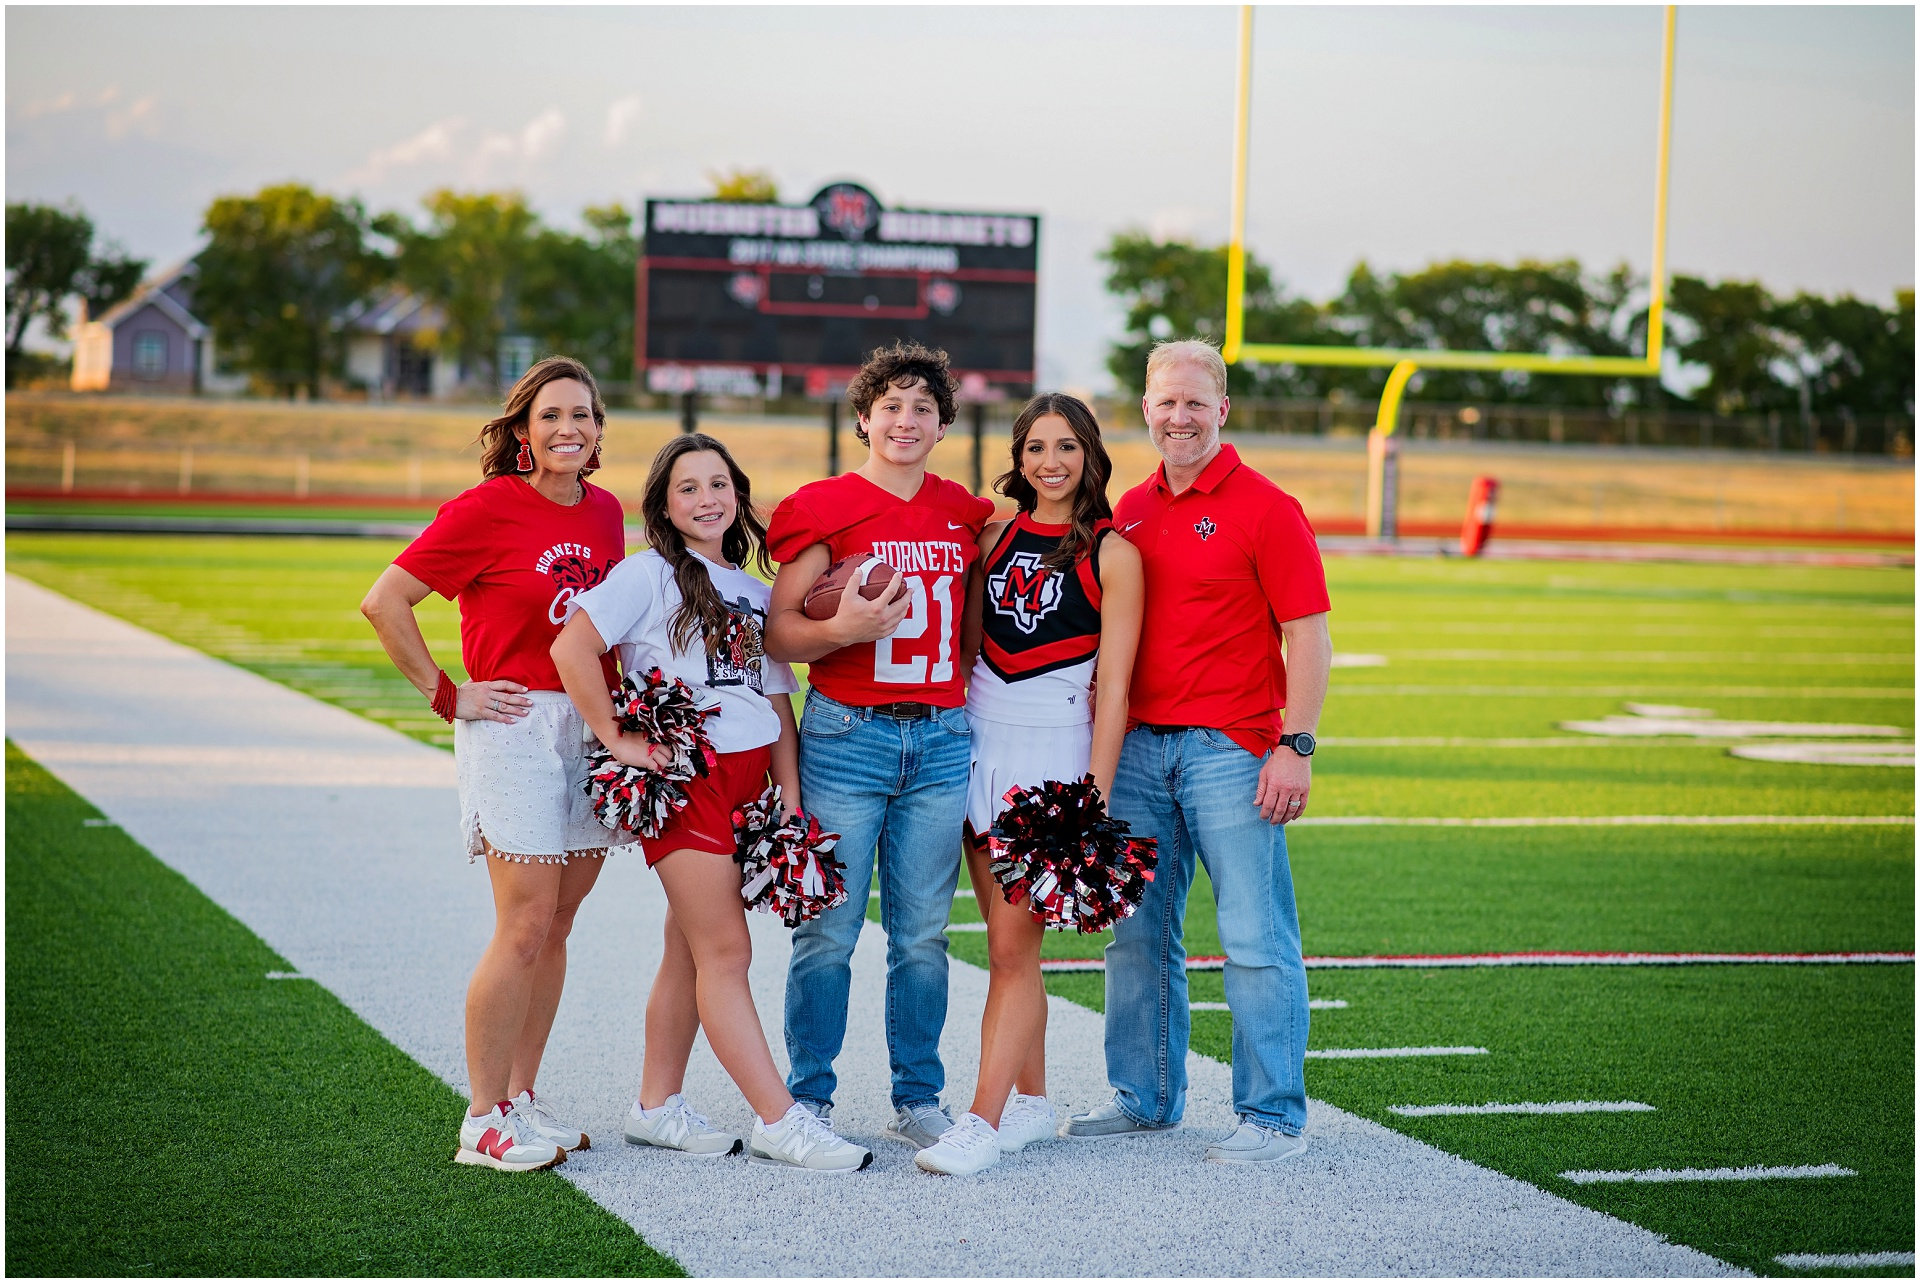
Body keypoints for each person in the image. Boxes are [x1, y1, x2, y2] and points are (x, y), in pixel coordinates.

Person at [550, 434, 873, 1174]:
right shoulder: (649, 576)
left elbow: (778, 704)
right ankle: (779, 1119)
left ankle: (656, 1105)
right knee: (727, 951)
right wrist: (616, 737)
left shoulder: (757, 593)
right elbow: (572, 648)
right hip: (687, 779)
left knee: (687, 946)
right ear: (665, 504)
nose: (706, 499)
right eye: (688, 487)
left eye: (718, 484)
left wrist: (788, 801)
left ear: (738, 493)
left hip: (750, 782)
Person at [1060, 339, 1333, 1164]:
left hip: (1232, 752)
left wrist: (1296, 745)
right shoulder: (1126, 508)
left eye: (1194, 402)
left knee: (1254, 935)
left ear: (1222, 409)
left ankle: (1272, 1116)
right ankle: (1146, 1099)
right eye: (1164, 402)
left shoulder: (1267, 506)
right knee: (1136, 936)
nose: (1179, 417)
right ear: (1144, 409)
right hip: (1141, 748)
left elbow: (1310, 638)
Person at [361, 355, 627, 1173]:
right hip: (512, 725)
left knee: (557, 924)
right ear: (521, 430)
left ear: (598, 430)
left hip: (588, 725)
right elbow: (385, 600)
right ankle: (482, 1118)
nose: (567, 429)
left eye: (581, 415)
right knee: (521, 924)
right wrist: (449, 694)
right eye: (550, 415)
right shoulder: (484, 508)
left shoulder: (609, 511)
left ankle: (520, 1095)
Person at [763, 341, 995, 1150]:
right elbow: (778, 630)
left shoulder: (962, 511)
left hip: (938, 738)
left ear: (942, 426)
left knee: (923, 932)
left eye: (923, 407)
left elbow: (971, 630)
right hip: (847, 735)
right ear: (864, 417)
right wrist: (842, 628)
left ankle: (917, 1093)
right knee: (827, 925)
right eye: (891, 405)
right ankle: (811, 1096)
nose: (906, 419)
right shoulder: (824, 504)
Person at [914, 394, 1143, 1176]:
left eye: (1068, 447)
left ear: (1091, 457)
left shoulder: (1113, 552)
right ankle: (1034, 1103)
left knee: (1014, 949)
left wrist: (1095, 798)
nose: (1051, 462)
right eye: (1037, 447)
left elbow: (1113, 688)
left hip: (1054, 757)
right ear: (1018, 457)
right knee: (1007, 945)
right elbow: (973, 641)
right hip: (979, 743)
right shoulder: (993, 532)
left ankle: (980, 1119)